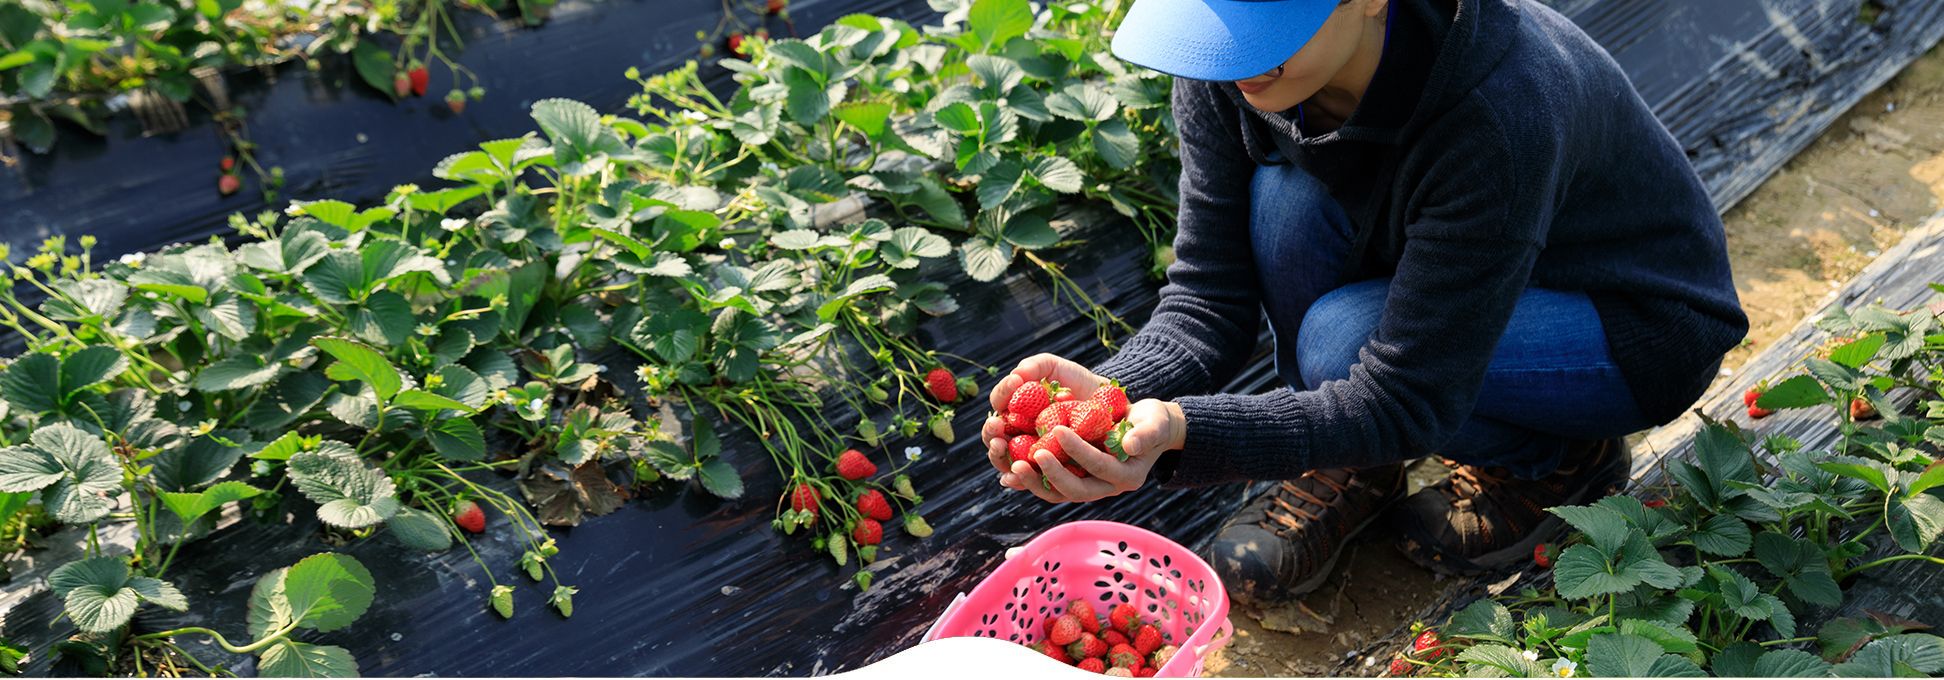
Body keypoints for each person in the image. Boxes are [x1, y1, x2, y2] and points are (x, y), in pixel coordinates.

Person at [980, 0, 1748, 604]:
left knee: (1340, 342)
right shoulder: (1229, 62)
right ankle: (1355, 461)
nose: (1232, 53)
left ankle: (1558, 462)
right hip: (1467, 281)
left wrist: (1181, 433)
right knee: (1282, 203)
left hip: (1629, 323)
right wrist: (1115, 397)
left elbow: (1404, 392)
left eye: (1265, 14)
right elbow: (1208, 296)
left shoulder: (1501, 105)